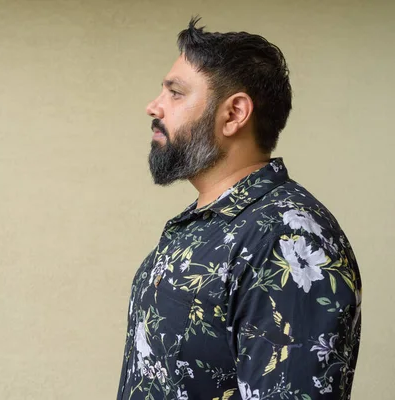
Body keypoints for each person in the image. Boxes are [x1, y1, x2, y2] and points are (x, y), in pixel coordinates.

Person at [116, 17, 362, 400]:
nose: (154, 107)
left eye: (176, 93)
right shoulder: (205, 223)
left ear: (233, 114)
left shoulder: (286, 238)